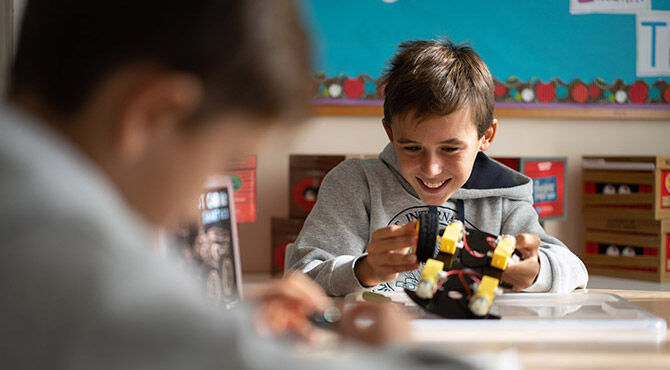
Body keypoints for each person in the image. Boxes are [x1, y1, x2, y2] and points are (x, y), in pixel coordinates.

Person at [0, 2, 476, 369]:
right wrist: (389, 350)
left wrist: (230, 317)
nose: (194, 208)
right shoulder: (64, 249)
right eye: (222, 159)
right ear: (153, 116)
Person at [285, 39, 588, 296]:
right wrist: (364, 269)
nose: (430, 169)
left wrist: (536, 272)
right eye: (412, 147)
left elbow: (575, 270)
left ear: (487, 136)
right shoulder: (355, 184)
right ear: (390, 134)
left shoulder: (503, 197)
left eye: (450, 148)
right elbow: (299, 279)